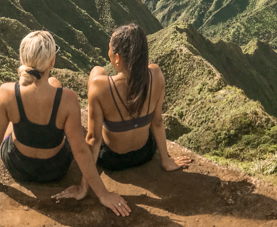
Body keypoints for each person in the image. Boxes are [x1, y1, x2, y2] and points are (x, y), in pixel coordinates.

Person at [0, 30, 131, 216]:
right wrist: (103, 194)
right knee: (55, 84)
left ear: (23, 59)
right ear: (52, 61)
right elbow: (81, 151)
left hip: (19, 167)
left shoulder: (6, 92)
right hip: (55, 169)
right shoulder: (68, 99)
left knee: (12, 123)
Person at [57, 23, 192, 200]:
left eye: (110, 49)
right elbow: (157, 122)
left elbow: (93, 139)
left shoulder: (100, 86)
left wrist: (84, 187)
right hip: (145, 152)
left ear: (118, 57)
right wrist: (166, 160)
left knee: (97, 70)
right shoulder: (156, 75)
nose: (108, 53)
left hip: (112, 159)